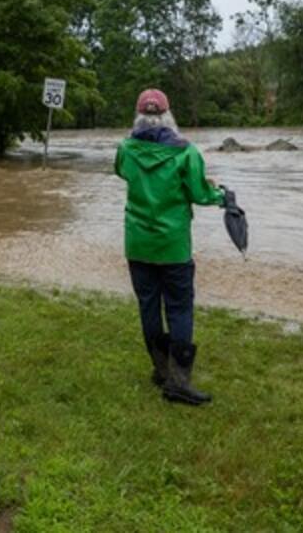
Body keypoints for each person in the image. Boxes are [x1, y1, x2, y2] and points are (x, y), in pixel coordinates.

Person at [114, 88, 225, 405]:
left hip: (137, 243)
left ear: (138, 115)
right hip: (173, 244)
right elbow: (200, 194)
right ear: (168, 115)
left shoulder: (125, 149)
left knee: (148, 305)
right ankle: (178, 381)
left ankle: (161, 370)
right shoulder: (186, 152)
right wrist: (218, 194)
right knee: (179, 307)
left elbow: (122, 172)